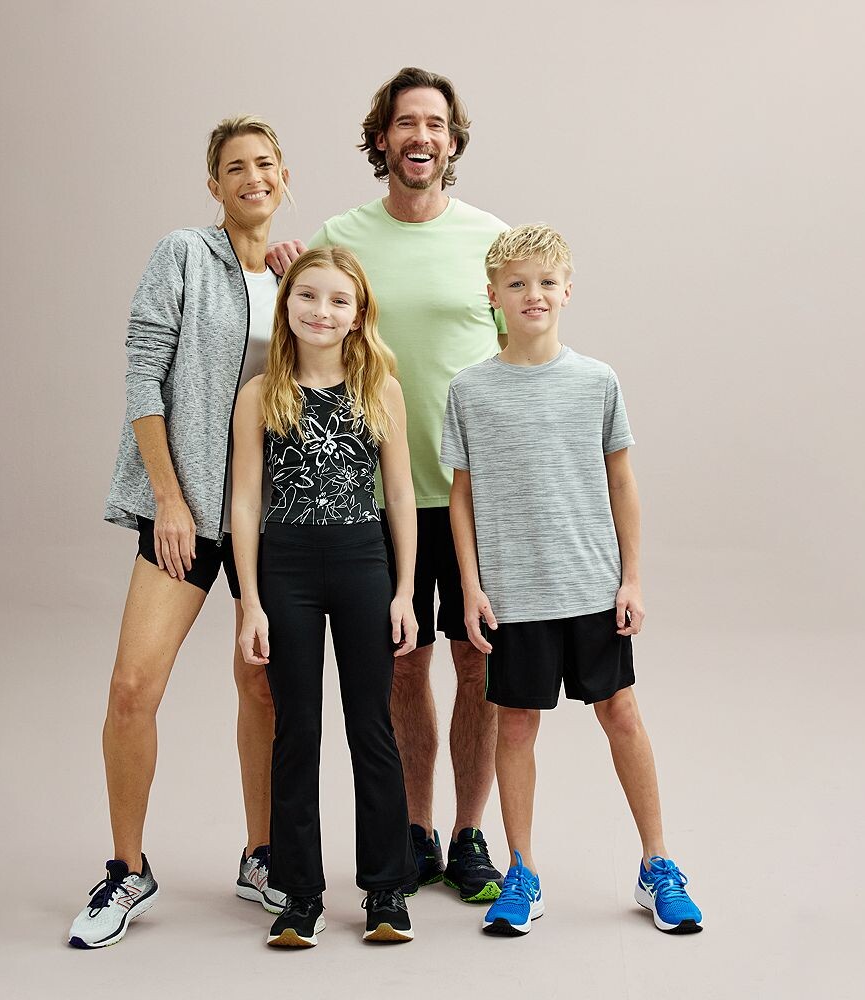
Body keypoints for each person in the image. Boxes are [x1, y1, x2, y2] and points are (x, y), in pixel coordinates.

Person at [267, 67, 508, 904]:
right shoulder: (343, 233)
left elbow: (520, 358)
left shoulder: (491, 240)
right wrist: (281, 266)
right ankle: (414, 830)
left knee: (478, 664)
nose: (421, 137)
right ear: (382, 139)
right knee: (403, 668)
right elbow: (301, 315)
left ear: (453, 140)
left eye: (435, 124)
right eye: (406, 123)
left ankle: (469, 834)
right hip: (372, 505)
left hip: (474, 498)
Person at [440, 224, 704, 937]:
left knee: (621, 714)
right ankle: (521, 872)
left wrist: (633, 579)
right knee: (515, 725)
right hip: (514, 595)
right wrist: (470, 586)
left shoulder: (596, 381)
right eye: (517, 283)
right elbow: (461, 496)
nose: (534, 294)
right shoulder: (470, 390)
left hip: (591, 586)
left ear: (567, 292)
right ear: (492, 296)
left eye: (547, 282)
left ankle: (658, 865)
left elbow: (622, 481)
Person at [67, 116, 291, 950]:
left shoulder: (297, 275)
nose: (252, 178)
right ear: (214, 185)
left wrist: (309, 284)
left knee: (261, 687)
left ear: (285, 175)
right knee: (133, 688)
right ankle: (127, 869)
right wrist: (168, 498)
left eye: (264, 164)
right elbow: (143, 374)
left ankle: (261, 855)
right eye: (235, 168)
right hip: (188, 509)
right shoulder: (184, 256)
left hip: (269, 516)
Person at [231, 246, 419, 947]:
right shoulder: (261, 393)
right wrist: (251, 601)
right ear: (286, 306)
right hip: (287, 566)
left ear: (359, 314)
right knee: (296, 728)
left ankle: (386, 890)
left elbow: (399, 494)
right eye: (307, 296)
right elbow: (245, 502)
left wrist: (404, 591)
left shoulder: (380, 388)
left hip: (362, 559)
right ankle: (299, 894)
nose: (321, 311)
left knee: (372, 726)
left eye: (339, 300)